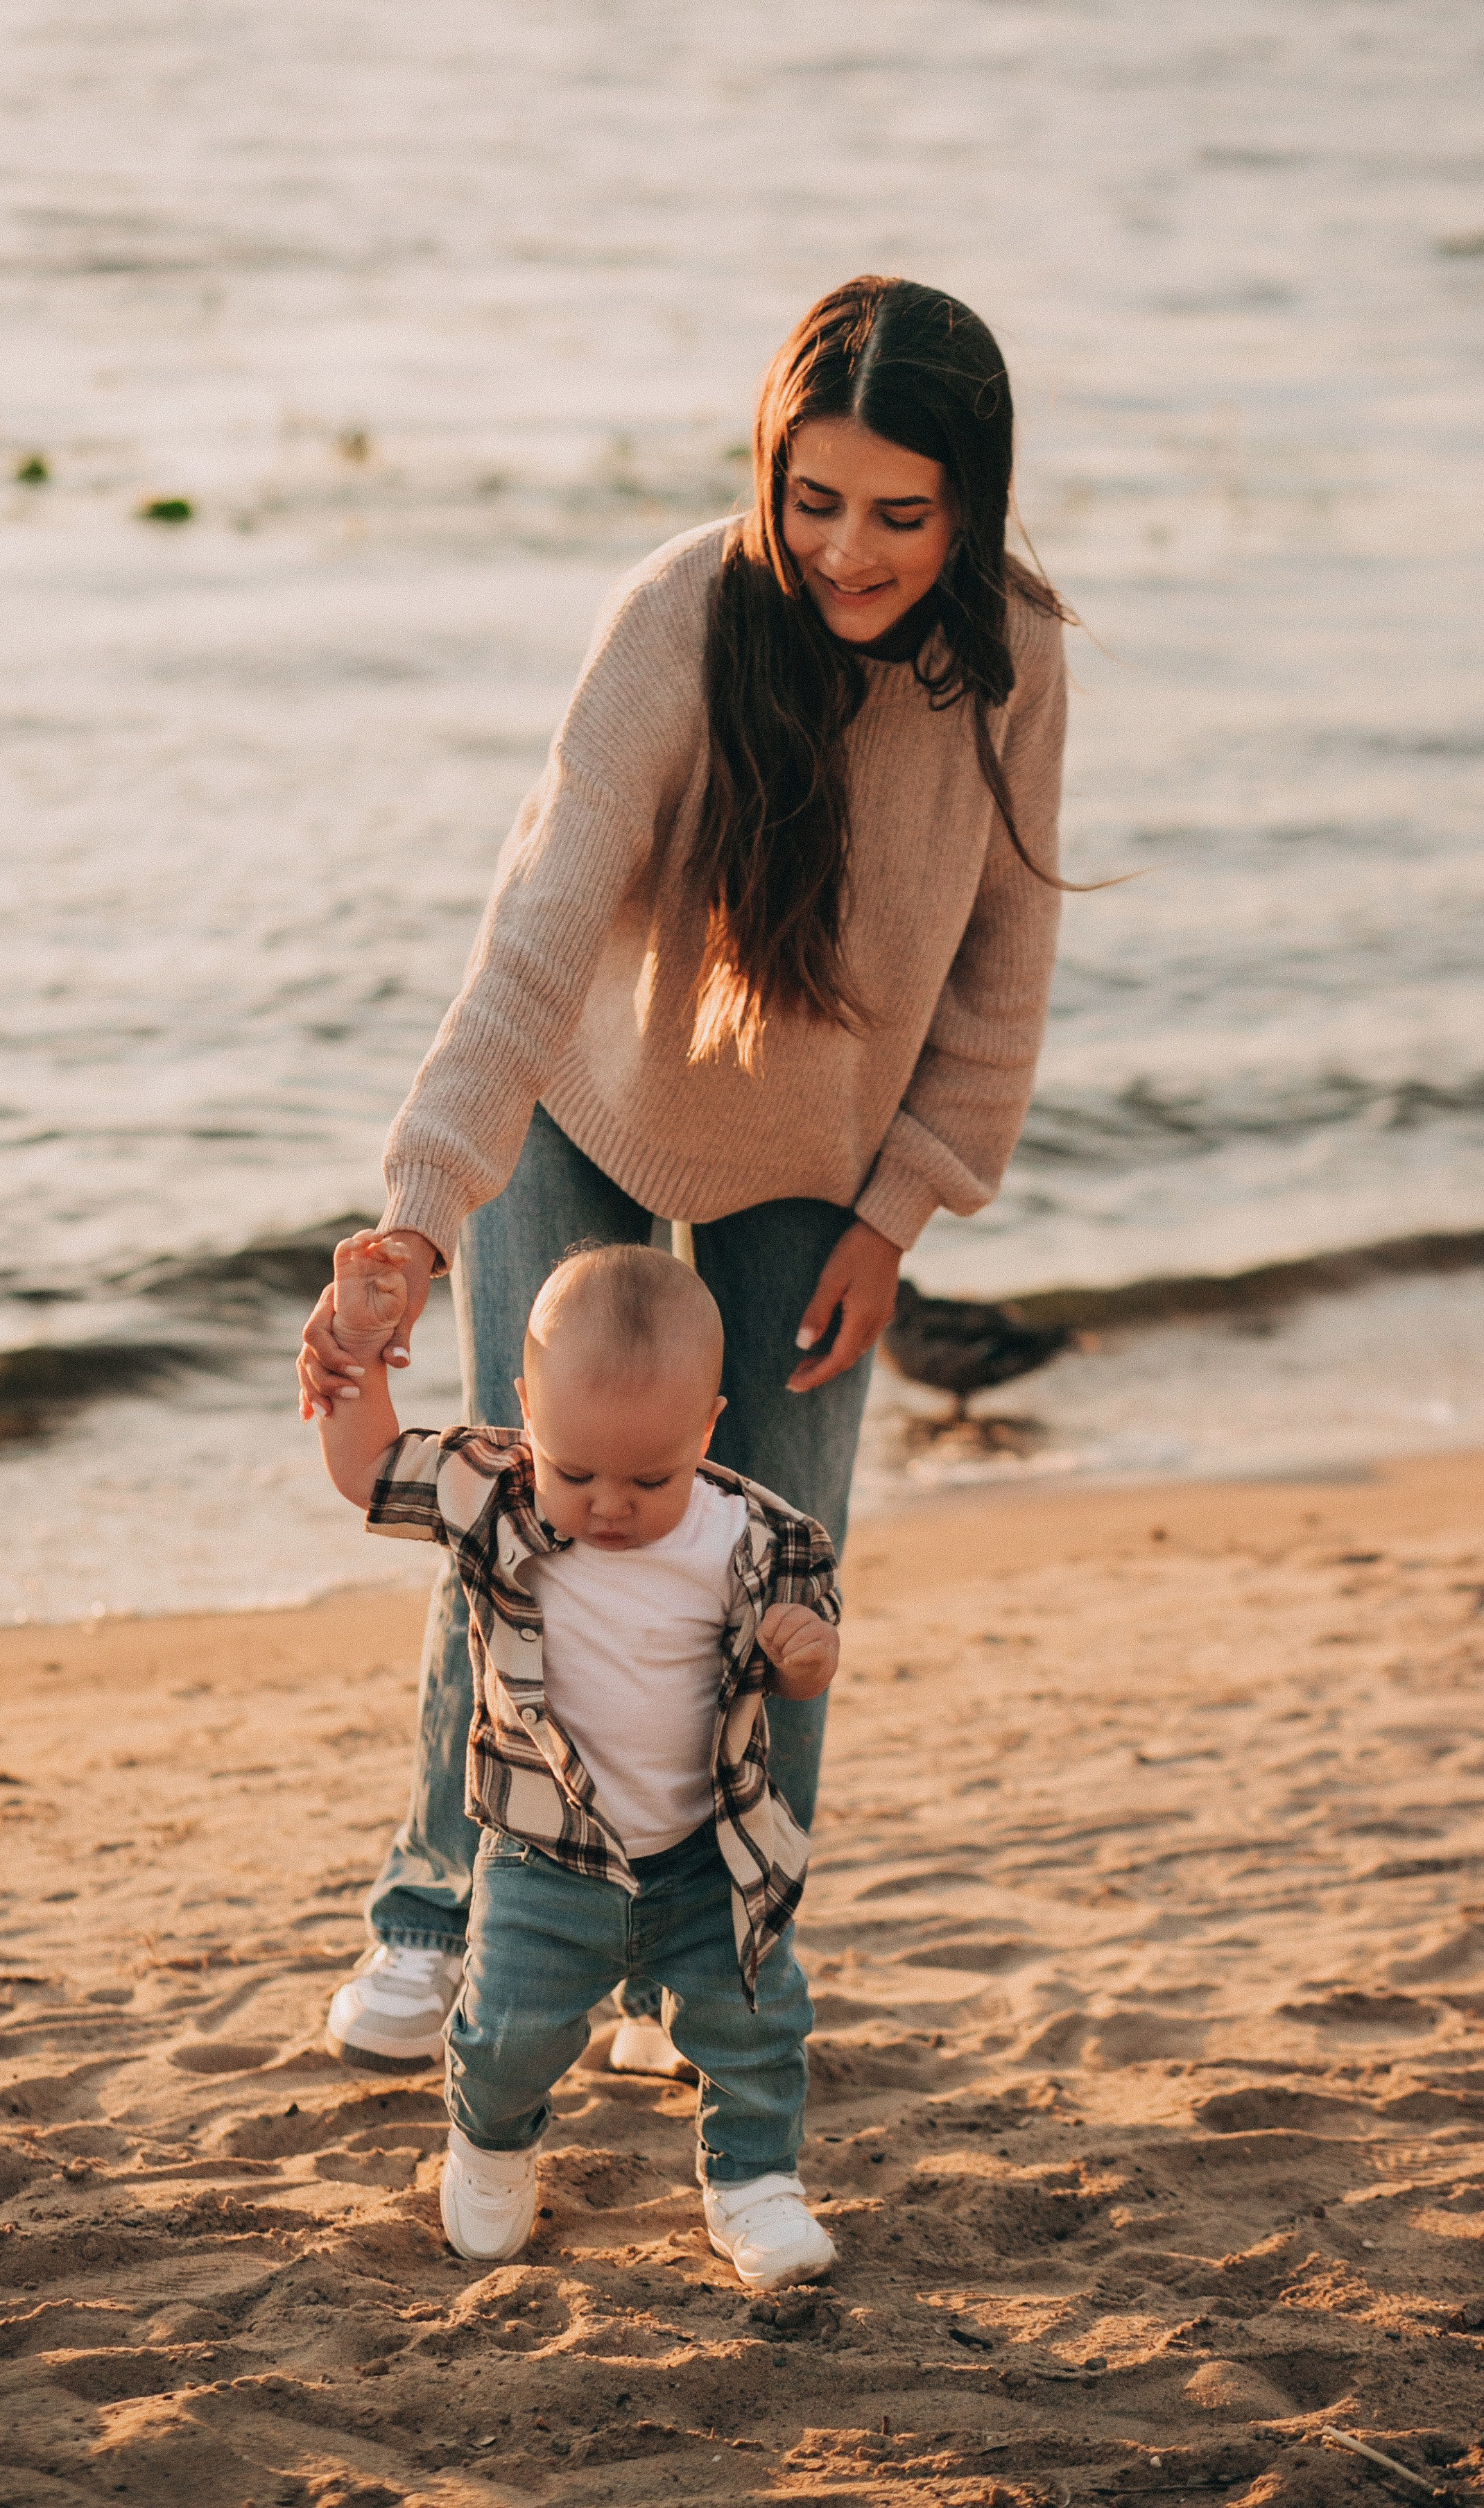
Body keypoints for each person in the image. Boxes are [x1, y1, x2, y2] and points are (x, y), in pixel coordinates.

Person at [298, 272, 1071, 2075]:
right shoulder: (680, 617)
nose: (848, 551)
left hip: (818, 1167)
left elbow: (1005, 964)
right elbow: (537, 936)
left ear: (970, 502)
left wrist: (901, 1210)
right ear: (768, 473)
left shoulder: (1012, 661)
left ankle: (704, 1952)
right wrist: (418, 1216)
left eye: (900, 513)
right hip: (586, 1109)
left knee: (773, 1555)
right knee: (530, 1511)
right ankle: (437, 1908)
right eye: (814, 501)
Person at [318, 1232, 843, 2287]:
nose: (608, 1504)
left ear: (707, 1427)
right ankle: (491, 2149)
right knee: (507, 2033)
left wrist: (806, 1659)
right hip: (542, 1857)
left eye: (651, 1477)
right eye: (575, 1470)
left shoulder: (760, 1537)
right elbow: (372, 1472)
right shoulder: (496, 1492)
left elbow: (804, 1667)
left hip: (704, 1859)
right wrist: (357, 1366)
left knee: (756, 2026)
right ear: (527, 1413)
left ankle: (753, 2184)